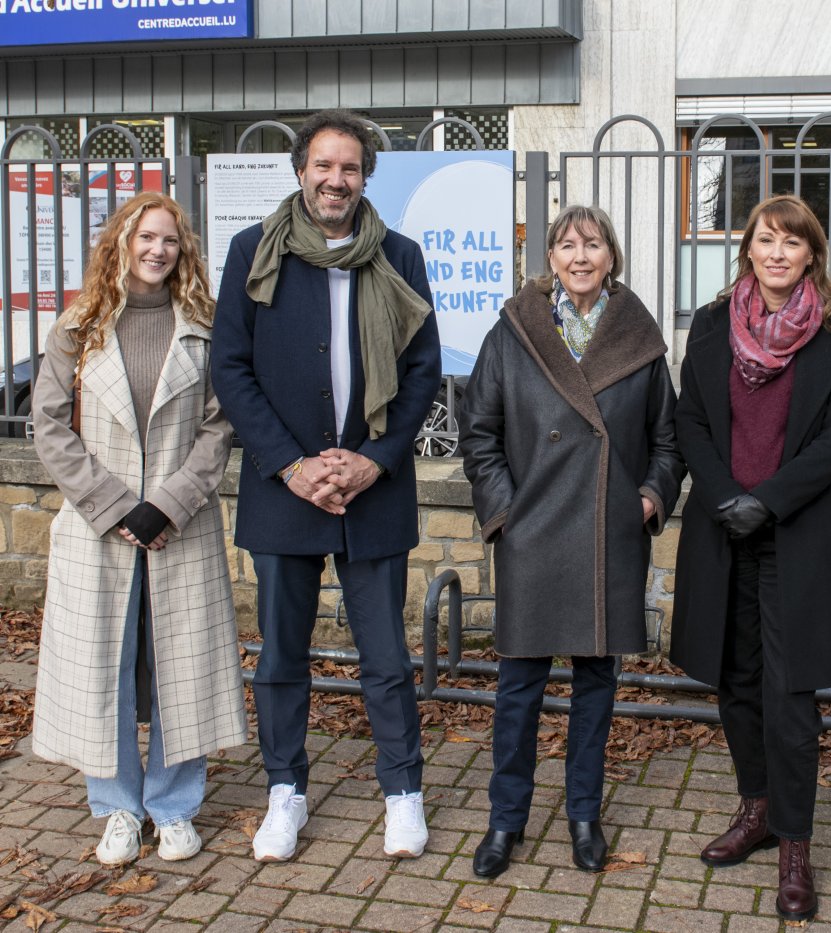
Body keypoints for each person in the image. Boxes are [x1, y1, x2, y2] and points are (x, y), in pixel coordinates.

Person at [211, 109, 442, 862]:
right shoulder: (253, 252)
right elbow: (232, 369)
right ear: (301, 170)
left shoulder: (399, 256)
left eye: (349, 168)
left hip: (374, 487)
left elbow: (420, 372)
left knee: (385, 655)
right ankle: (285, 789)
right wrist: (291, 463)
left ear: (365, 176)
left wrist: (375, 458)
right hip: (285, 489)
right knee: (280, 653)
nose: (335, 179)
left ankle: (402, 791)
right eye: (323, 165)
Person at [459, 204, 684, 878]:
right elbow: (479, 432)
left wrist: (648, 498)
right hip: (532, 531)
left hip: (607, 531)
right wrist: (505, 511)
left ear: (611, 256)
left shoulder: (638, 338)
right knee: (519, 685)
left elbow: (667, 440)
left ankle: (584, 812)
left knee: (596, 684)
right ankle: (506, 819)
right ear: (549, 258)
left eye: (593, 243)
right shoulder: (513, 332)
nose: (580, 255)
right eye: (567, 244)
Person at [30, 191, 246, 867]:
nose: (157, 251)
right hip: (101, 527)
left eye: (170, 241)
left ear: (184, 251)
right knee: (105, 670)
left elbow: (219, 426)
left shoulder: (206, 327)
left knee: (184, 667)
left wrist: (171, 502)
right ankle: (119, 806)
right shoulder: (78, 326)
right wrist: (118, 506)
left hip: (180, 524)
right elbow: (48, 426)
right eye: (145, 238)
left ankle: (175, 806)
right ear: (120, 243)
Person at [670, 195, 831, 923]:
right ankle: (755, 809)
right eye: (765, 239)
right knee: (736, 679)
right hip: (723, 530)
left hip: (796, 535)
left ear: (812, 253)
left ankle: (795, 847)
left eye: (793, 241)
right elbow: (689, 414)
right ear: (747, 248)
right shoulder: (713, 322)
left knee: (790, 700)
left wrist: (769, 500)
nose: (777, 252)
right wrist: (725, 496)